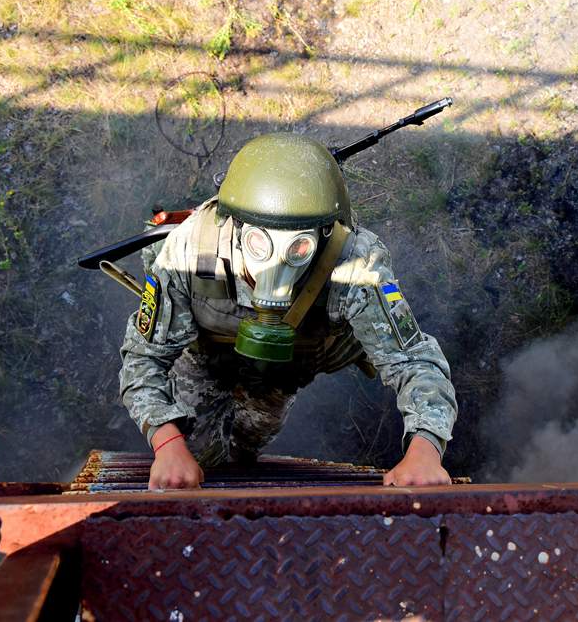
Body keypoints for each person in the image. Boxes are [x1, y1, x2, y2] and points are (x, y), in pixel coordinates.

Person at [119, 132, 457, 490]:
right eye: (258, 243)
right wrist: (167, 443)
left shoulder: (355, 266)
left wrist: (425, 448)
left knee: (250, 443)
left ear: (325, 232)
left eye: (299, 247)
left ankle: (241, 464)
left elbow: (413, 361)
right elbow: (142, 359)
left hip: (281, 374)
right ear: (234, 225)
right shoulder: (189, 252)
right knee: (196, 454)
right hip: (203, 360)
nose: (276, 263)